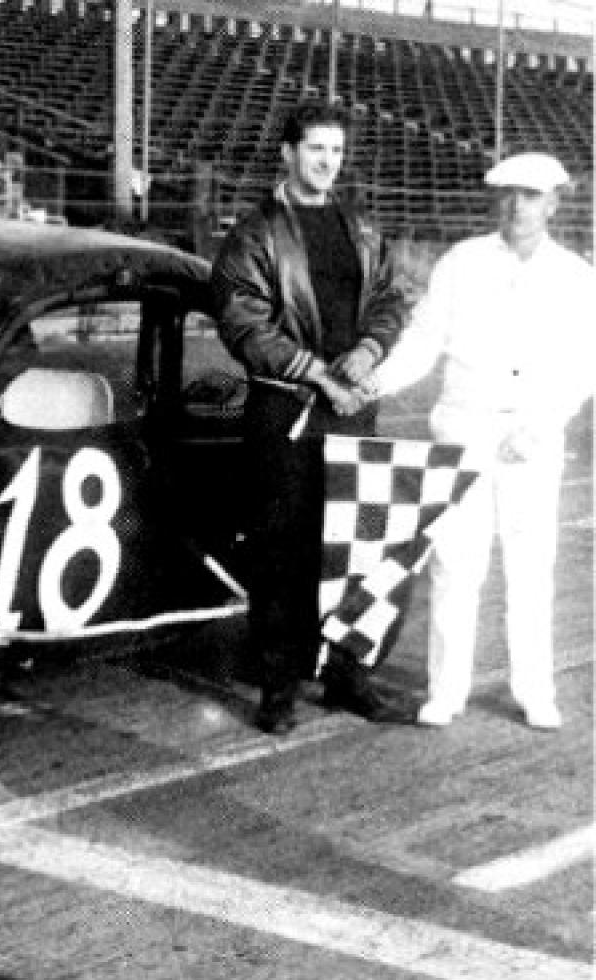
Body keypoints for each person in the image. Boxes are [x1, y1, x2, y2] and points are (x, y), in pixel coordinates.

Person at [373, 152, 594, 731]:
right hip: (464, 431)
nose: (517, 206)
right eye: (508, 194)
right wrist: (371, 383)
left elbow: (583, 368)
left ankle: (534, 690)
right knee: (454, 564)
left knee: (531, 567)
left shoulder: (575, 276)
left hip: (532, 439)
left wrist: (539, 426)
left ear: (553, 204)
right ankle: (446, 691)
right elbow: (423, 343)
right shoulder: (461, 262)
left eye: (531, 196)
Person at [210, 101, 411, 735]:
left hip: (353, 408)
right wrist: (320, 375)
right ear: (288, 153)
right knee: (283, 551)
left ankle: (348, 676)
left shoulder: (361, 228)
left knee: (357, 544)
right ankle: (278, 686)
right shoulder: (254, 234)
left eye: (336, 151)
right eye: (316, 148)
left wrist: (369, 350)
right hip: (287, 412)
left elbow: (391, 299)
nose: (328, 161)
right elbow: (244, 323)